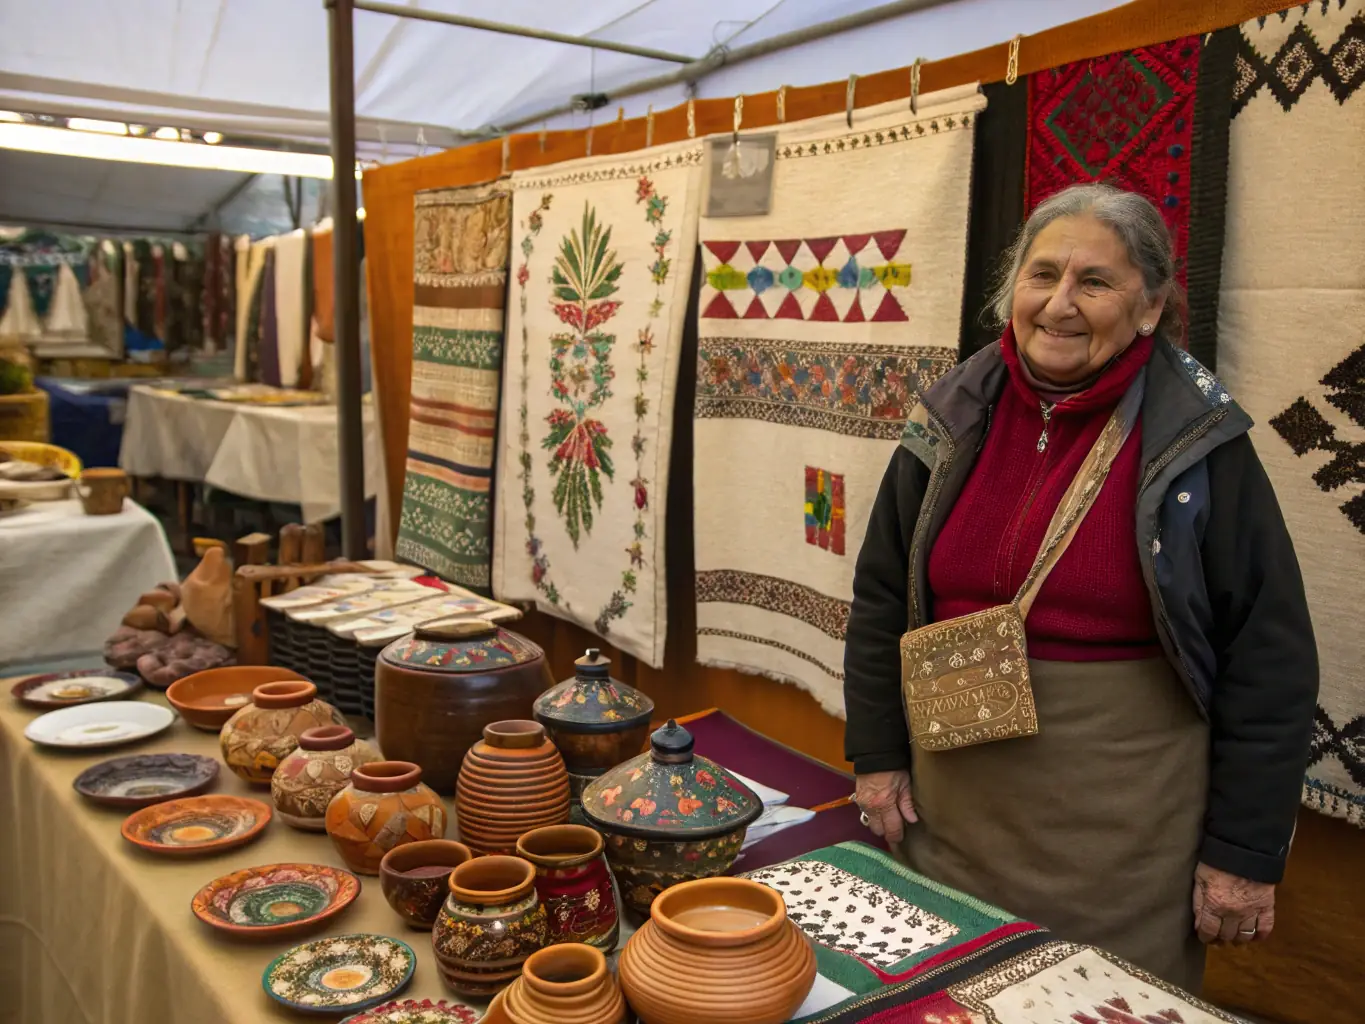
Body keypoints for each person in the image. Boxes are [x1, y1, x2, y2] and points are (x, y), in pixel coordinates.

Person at [842, 183, 1318, 991]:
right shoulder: (954, 415)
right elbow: (882, 595)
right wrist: (878, 755)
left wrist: (1242, 850)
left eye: (1093, 283)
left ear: (1148, 307)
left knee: (1098, 999)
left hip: (1123, 827)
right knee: (943, 992)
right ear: (1011, 290)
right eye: (1042, 276)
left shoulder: (1196, 443)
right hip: (952, 801)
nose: (1059, 304)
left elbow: (1267, 656)